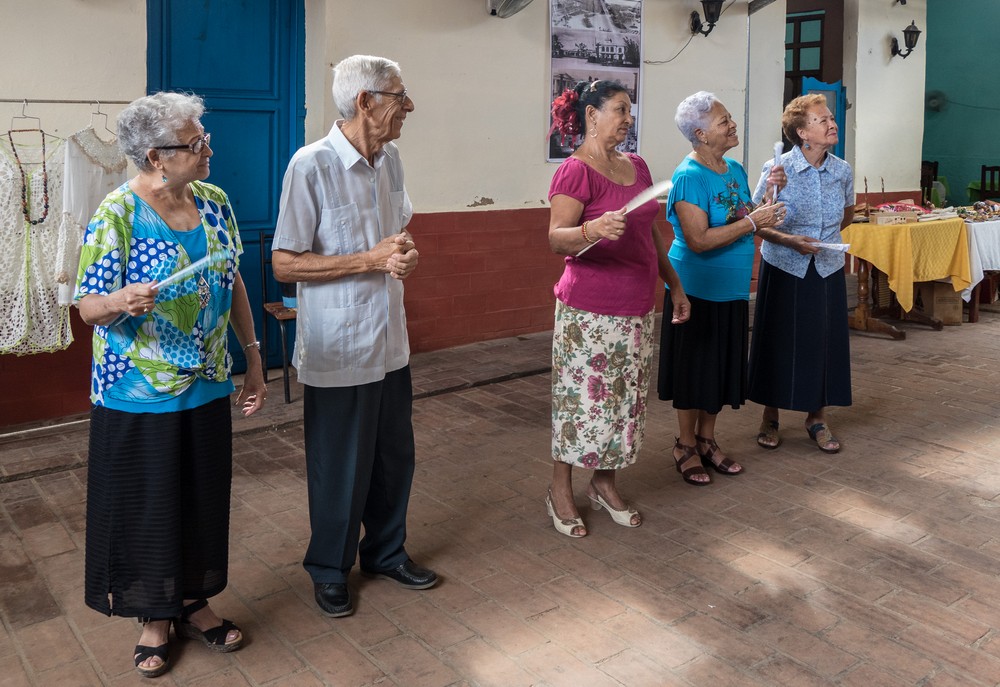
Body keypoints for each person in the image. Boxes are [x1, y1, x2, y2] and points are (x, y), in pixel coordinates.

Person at [75, 92, 265, 678]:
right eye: (197, 142)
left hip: (206, 378)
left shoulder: (213, 201)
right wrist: (118, 301)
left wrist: (252, 356)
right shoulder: (117, 213)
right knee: (147, 504)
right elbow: (86, 308)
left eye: (203, 137)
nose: (209, 148)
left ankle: (193, 603)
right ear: (157, 156)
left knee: (200, 497)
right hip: (137, 390)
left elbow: (230, 279)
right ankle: (152, 617)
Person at [271, 54, 434, 619]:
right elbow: (285, 264)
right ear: (365, 101)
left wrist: (405, 255)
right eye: (399, 95)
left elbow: (400, 234)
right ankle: (329, 568)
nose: (408, 105)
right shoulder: (310, 165)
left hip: (390, 337)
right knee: (340, 462)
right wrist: (368, 259)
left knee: (394, 456)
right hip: (339, 343)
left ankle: (386, 552)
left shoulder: (390, 163)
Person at [546, 80, 691, 538]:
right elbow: (555, 237)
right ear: (592, 114)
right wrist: (591, 230)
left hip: (635, 307)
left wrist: (676, 287)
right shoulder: (574, 171)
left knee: (623, 403)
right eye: (620, 109)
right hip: (589, 310)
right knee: (580, 402)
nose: (628, 119)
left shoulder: (639, 166)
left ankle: (604, 483)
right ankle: (560, 489)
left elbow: (651, 236)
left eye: (630, 111)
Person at [657, 91, 785, 486]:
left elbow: (743, 216)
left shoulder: (733, 168)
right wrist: (752, 223)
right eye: (723, 120)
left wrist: (766, 199)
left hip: (731, 287)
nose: (732, 124)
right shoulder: (689, 177)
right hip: (696, 289)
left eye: (730, 117)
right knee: (693, 370)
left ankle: (708, 440)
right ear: (700, 133)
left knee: (720, 368)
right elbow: (698, 239)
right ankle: (685, 445)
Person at [748, 94, 854, 453]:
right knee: (779, 340)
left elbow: (847, 214)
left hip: (826, 266)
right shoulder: (778, 169)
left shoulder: (842, 170)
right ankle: (770, 415)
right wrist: (791, 240)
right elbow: (756, 223)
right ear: (801, 132)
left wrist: (825, 240)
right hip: (786, 265)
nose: (831, 124)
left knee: (823, 341)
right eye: (822, 120)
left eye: (831, 118)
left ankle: (817, 417)